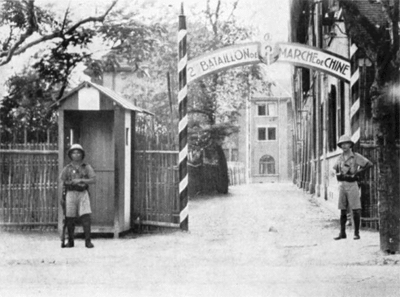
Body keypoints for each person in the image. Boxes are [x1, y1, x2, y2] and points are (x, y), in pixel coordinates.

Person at [333, 135, 372, 240]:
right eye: (342, 144)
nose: (344, 146)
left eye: (346, 143)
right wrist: (338, 174)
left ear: (350, 145)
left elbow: (369, 164)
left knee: (355, 209)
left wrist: (358, 172)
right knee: (342, 209)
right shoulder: (340, 157)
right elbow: (335, 169)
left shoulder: (355, 156)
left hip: (352, 184)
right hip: (342, 185)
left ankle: (356, 233)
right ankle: (342, 233)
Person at [60, 144, 96, 248]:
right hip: (70, 193)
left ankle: (88, 241)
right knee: (69, 217)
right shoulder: (67, 168)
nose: (76, 155)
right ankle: (70, 241)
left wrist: (81, 180)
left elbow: (93, 180)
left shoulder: (86, 167)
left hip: (83, 193)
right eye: (74, 153)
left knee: (85, 217)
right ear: (70, 155)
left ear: (82, 154)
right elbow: (62, 181)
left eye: (78, 152)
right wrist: (62, 197)